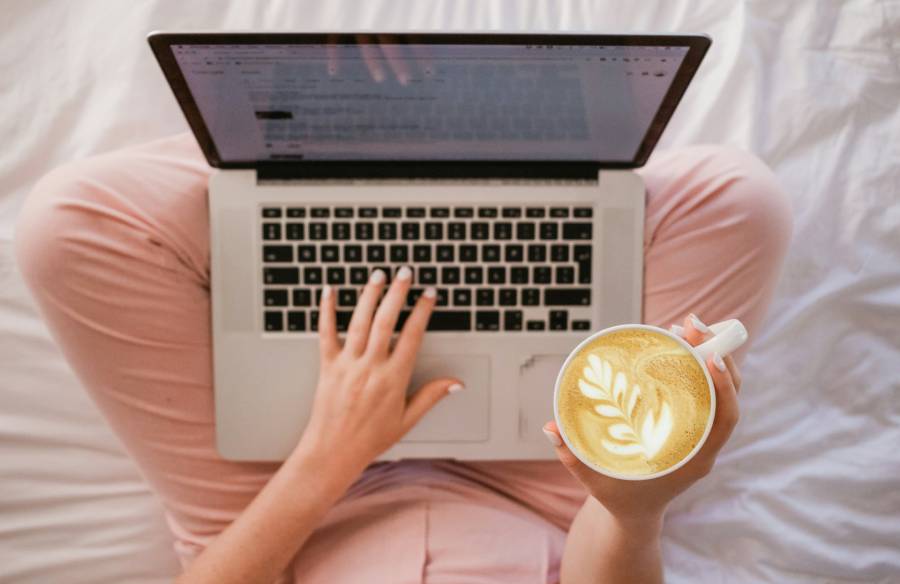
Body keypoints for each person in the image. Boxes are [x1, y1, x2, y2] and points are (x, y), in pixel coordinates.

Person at [14, 133, 792, 583]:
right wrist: (634, 505)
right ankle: (480, 145)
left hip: (291, 513)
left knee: (69, 223)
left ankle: (322, 143)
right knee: (738, 199)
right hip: (557, 503)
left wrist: (331, 453)